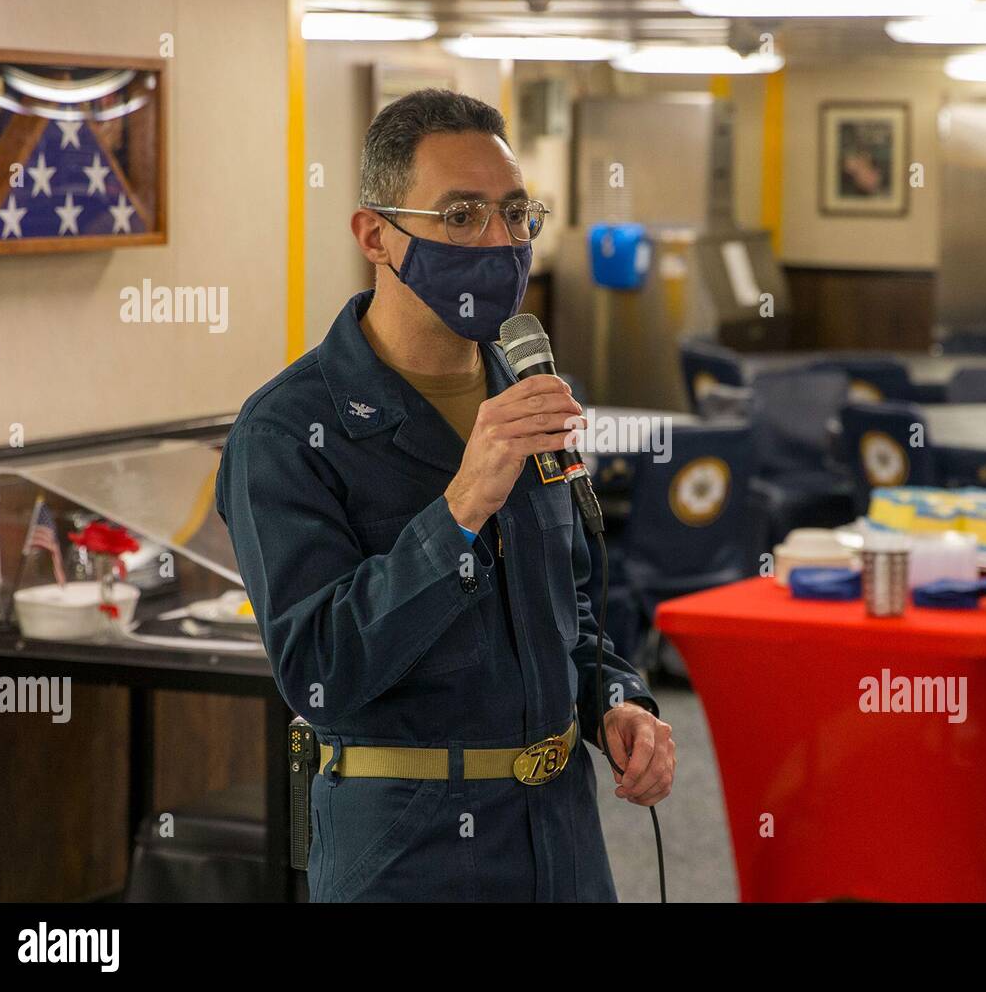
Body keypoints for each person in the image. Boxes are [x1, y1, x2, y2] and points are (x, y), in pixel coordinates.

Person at [215, 89, 675, 902]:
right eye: (460, 216)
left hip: (562, 832)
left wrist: (616, 700)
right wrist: (461, 509)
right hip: (409, 842)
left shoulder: (525, 392)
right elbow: (321, 666)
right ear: (376, 236)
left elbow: (570, 606)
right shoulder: (288, 431)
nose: (500, 242)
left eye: (515, 214)